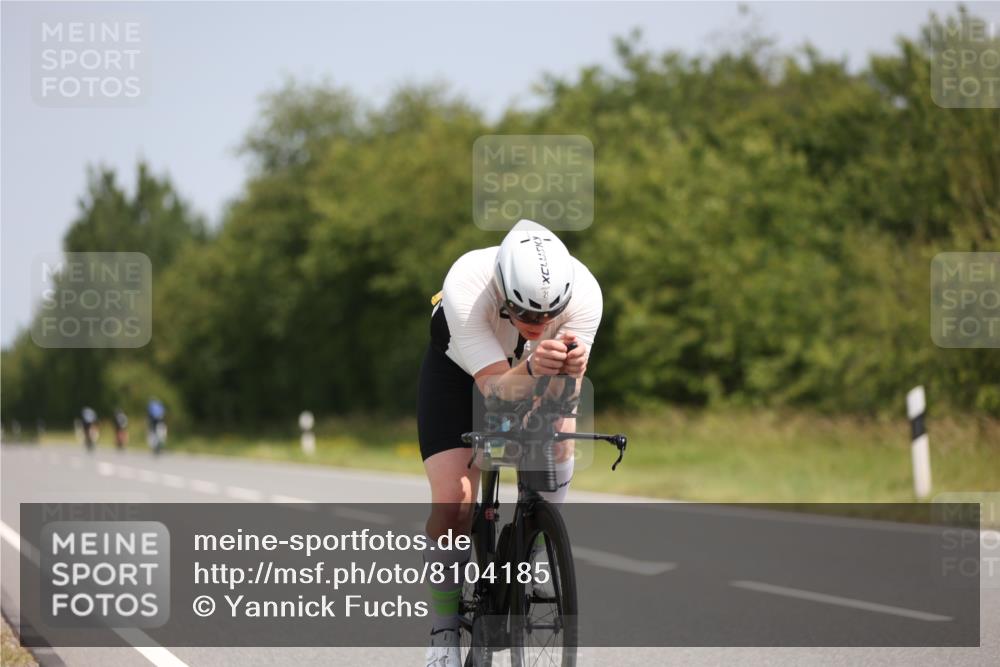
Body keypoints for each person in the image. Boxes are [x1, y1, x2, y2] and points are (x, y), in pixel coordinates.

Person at [419, 219, 602, 666]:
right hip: (462, 372)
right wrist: (536, 365)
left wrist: (569, 371)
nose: (539, 325)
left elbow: (564, 401)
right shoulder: (467, 285)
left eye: (548, 316)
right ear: (502, 292)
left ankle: (537, 543)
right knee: (454, 500)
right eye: (526, 315)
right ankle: (443, 633)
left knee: (556, 448)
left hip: (531, 368)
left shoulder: (586, 295)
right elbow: (496, 393)